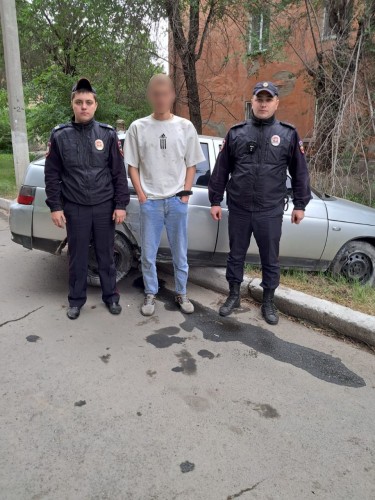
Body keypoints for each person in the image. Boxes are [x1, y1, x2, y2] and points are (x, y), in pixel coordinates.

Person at [208, 81, 311, 325]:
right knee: (235, 255)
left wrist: (300, 204)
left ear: (276, 102)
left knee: (270, 257)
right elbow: (221, 170)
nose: (263, 104)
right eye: (259, 99)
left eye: (268, 99)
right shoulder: (237, 133)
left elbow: (300, 172)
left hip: (270, 209)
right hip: (240, 208)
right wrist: (215, 200)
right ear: (252, 102)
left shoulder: (287, 134)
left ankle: (268, 302)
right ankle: (234, 295)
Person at [45, 78, 129, 320]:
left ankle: (111, 297)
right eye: (79, 102)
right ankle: (76, 300)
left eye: (88, 102)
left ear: (95, 105)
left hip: (104, 206)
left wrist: (121, 204)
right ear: (72, 104)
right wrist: (55, 207)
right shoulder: (60, 135)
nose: (84, 106)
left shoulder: (107, 134)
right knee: (78, 257)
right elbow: (52, 175)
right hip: (75, 207)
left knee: (106, 255)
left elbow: (117, 172)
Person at [125, 74, 205, 316]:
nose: (161, 98)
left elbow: (192, 163)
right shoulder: (138, 127)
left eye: (165, 94)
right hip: (150, 202)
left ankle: (181, 292)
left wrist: (185, 194)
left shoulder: (185, 127)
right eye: (156, 94)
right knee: (148, 252)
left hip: (176, 201)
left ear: (172, 95)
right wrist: (141, 194)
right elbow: (132, 165)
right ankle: (150, 293)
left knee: (180, 251)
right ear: (150, 96)